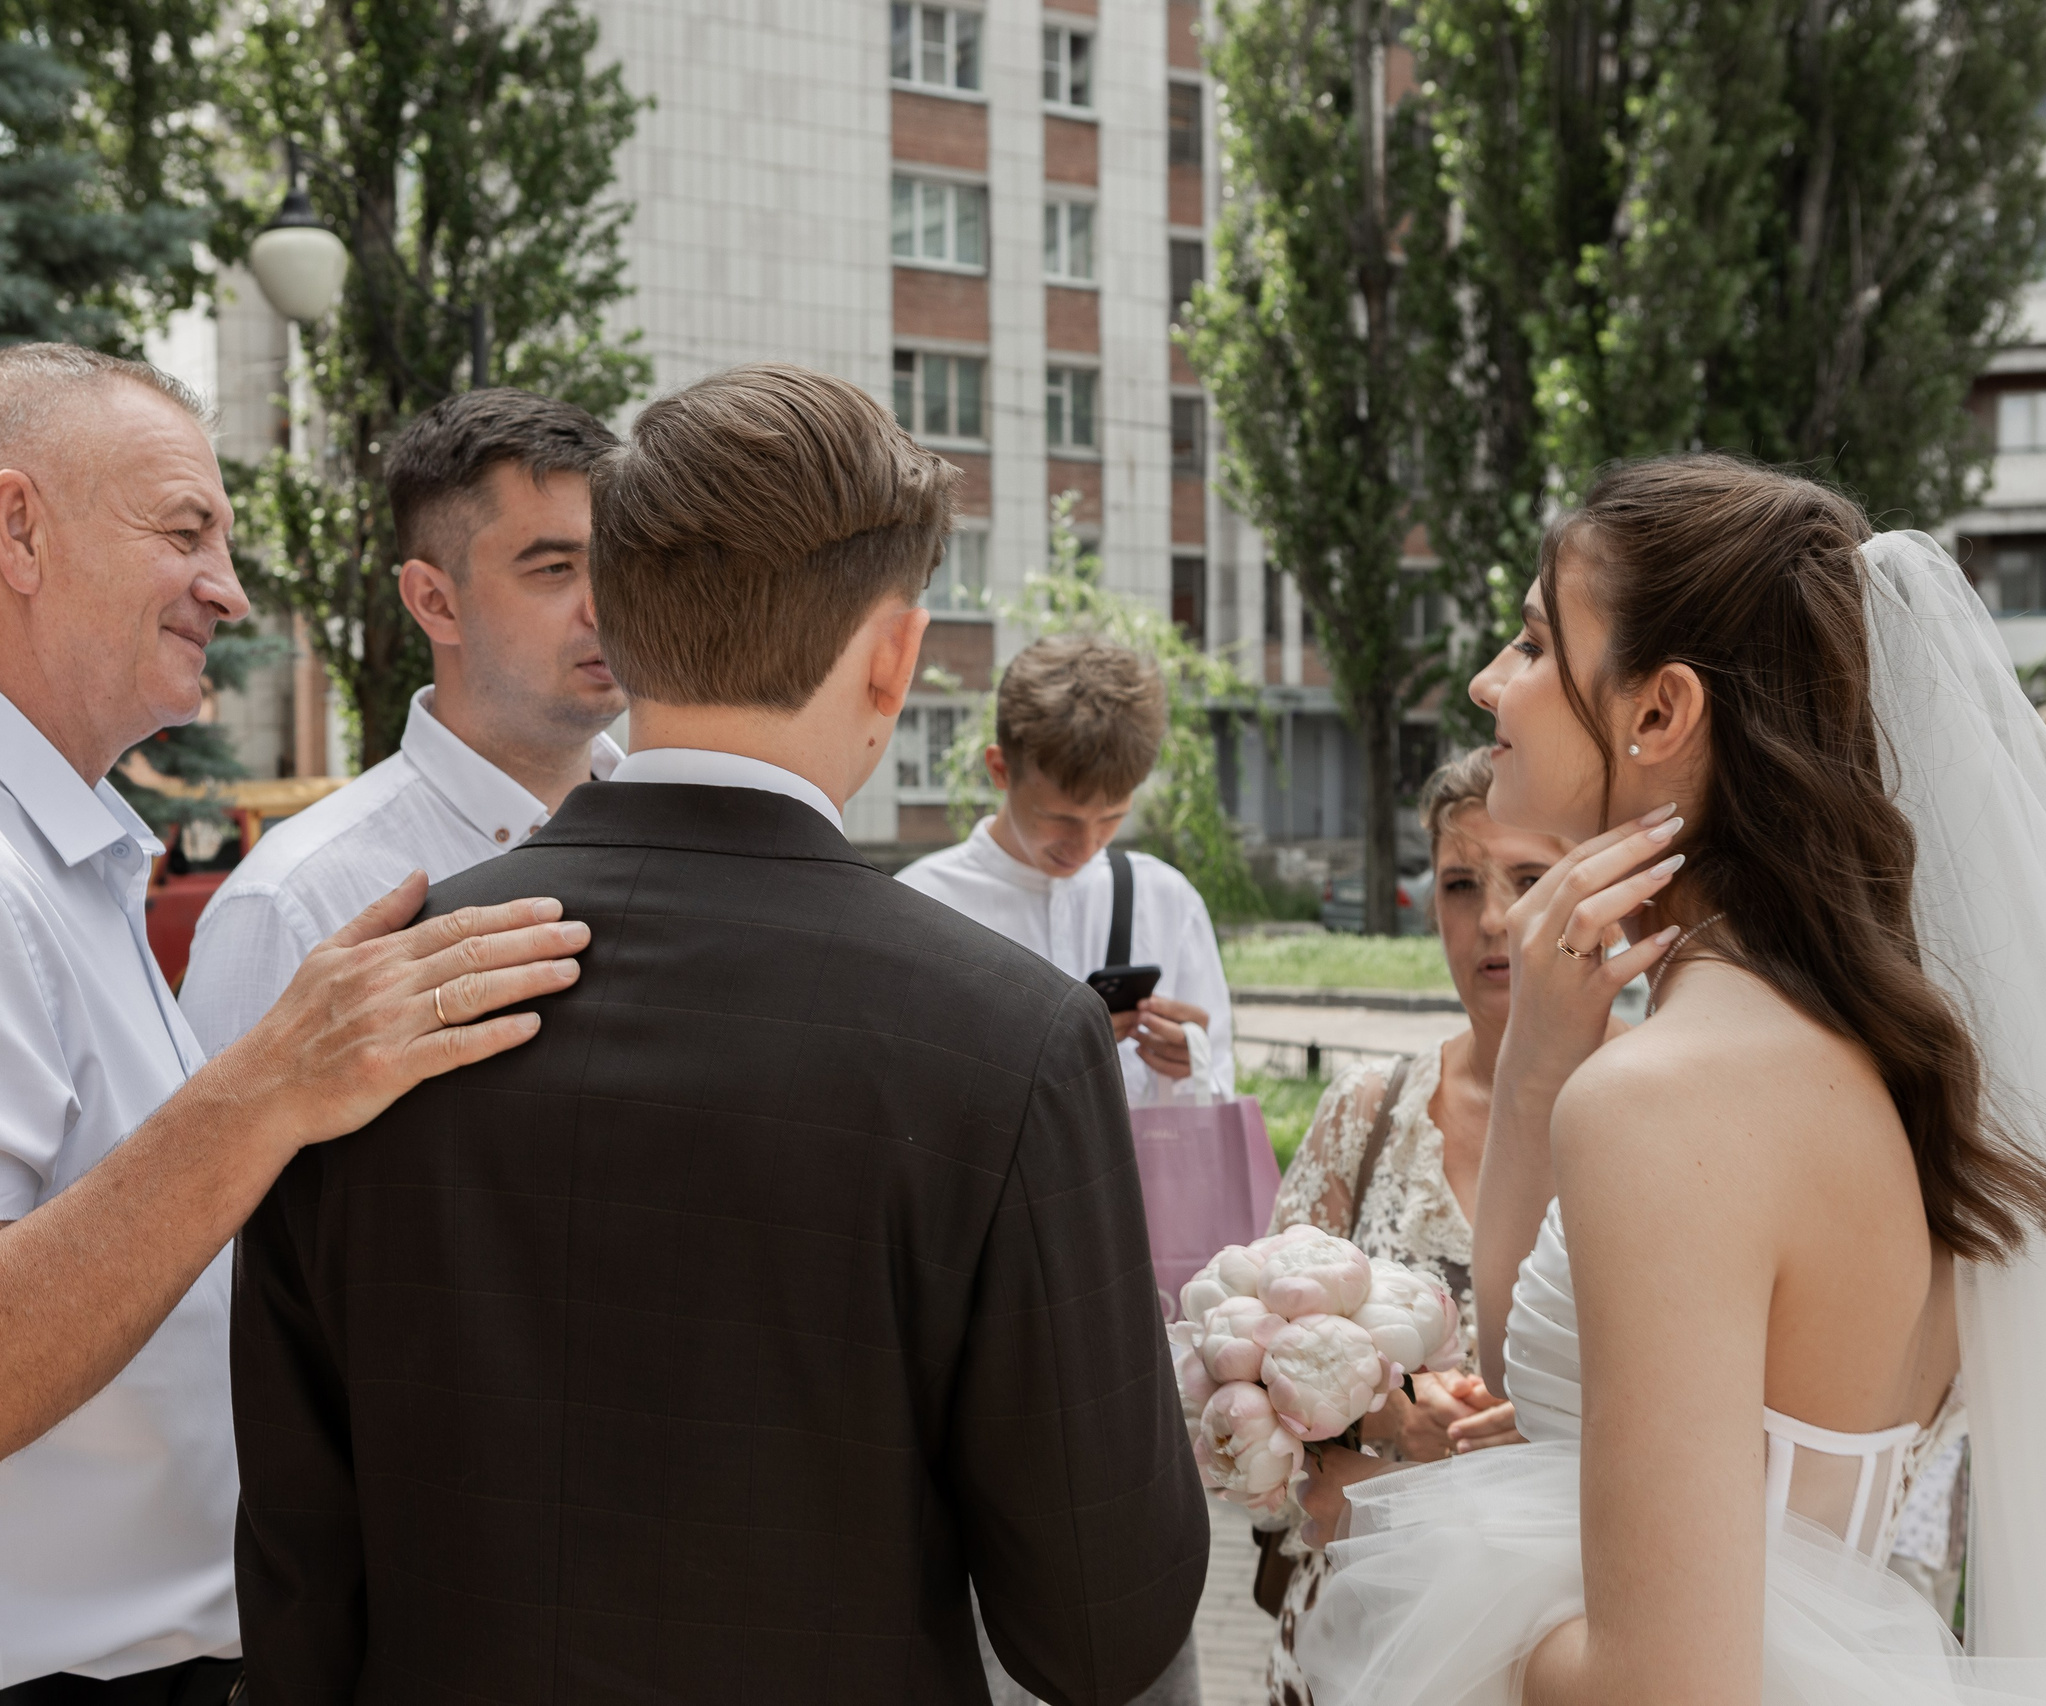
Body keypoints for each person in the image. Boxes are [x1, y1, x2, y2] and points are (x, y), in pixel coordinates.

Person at [226, 363, 1210, 1704]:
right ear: (894, 657)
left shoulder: (364, 998)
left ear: (618, 621)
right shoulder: (1007, 1038)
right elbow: (1099, 1626)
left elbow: (296, 1566)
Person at [0, 344, 586, 1706]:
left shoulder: (8, 844)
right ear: (19, 530)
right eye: (184, 532)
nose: (228, 588)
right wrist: (267, 1086)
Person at [1296, 456, 2046, 1702]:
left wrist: (1444, 1616)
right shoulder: (1871, 1055)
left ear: (1657, 714)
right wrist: (1537, 1069)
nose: (1487, 681)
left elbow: (1662, 1683)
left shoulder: (1664, 1101)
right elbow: (1555, 1389)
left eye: (1535, 643)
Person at [1261, 747, 1601, 1704]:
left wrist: (1556, 1433)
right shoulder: (1368, 1112)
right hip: (1356, 1641)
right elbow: (1256, 1373)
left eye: (1529, 879)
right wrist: (1388, 1411)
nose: (1493, 919)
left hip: (1559, 1646)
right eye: (1461, 885)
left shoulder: (1659, 1115)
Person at [179, 388, 624, 1057]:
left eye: (618, 564)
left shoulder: (687, 838)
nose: (604, 607)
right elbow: (211, 1129)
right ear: (435, 602)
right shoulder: (293, 906)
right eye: (555, 568)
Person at [896, 634, 1235, 1102]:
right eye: (1061, 819)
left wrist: (1192, 1066)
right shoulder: (920, 906)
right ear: (1000, 770)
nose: (1087, 845)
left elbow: (1219, 1091)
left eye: (1113, 817)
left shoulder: (1167, 900)